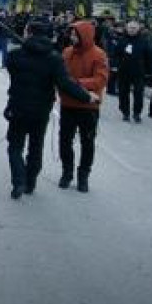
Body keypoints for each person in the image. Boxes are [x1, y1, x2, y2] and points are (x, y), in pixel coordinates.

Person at [4, 20, 98, 200]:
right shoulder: (54, 58)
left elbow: (12, 68)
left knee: (15, 146)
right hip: (40, 109)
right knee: (35, 145)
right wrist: (86, 96)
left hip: (18, 106)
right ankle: (30, 182)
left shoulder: (16, 55)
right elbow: (65, 83)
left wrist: (26, 49)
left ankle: (19, 180)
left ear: (29, 33)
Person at [56, 20, 108, 193]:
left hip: (88, 107)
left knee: (87, 142)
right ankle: (67, 172)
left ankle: (83, 175)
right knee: (65, 141)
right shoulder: (67, 52)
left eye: (74, 34)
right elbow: (61, 76)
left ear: (84, 35)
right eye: (70, 34)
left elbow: (100, 79)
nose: (71, 37)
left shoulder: (99, 55)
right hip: (68, 104)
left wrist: (76, 84)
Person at [115, 20, 150, 122]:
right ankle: (125, 112)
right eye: (130, 28)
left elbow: (148, 57)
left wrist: (148, 72)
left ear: (138, 29)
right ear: (126, 28)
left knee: (138, 93)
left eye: (134, 28)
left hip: (139, 72)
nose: (132, 30)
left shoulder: (144, 41)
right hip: (123, 71)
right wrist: (116, 65)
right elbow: (115, 55)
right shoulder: (121, 40)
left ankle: (137, 113)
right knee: (123, 93)